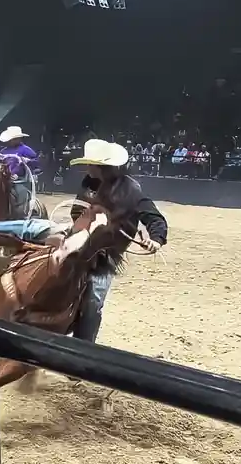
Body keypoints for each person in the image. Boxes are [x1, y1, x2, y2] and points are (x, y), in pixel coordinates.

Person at [69, 139, 168, 344]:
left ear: (101, 167)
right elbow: (77, 210)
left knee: (93, 299)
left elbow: (153, 216)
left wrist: (156, 239)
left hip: (106, 254)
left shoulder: (130, 189)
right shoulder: (89, 184)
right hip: (78, 241)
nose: (86, 167)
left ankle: (82, 349)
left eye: (90, 164)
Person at [0, 125, 40, 217]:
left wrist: (27, 161)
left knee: (20, 193)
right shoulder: (4, 150)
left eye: (13, 139)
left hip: (18, 180)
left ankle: (24, 212)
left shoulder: (26, 150)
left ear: (19, 139)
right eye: (10, 139)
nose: (11, 141)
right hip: (3, 177)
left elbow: (36, 162)